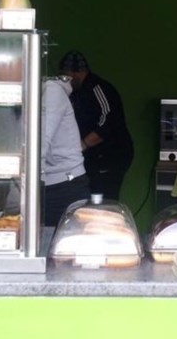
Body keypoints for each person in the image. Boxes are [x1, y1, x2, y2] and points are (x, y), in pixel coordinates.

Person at [59, 50, 134, 202]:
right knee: (89, 197)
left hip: (110, 155)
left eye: (66, 76)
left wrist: (82, 145)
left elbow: (109, 121)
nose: (64, 81)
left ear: (75, 73)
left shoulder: (98, 88)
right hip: (91, 157)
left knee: (103, 199)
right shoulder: (75, 92)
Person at [41, 75, 91, 227]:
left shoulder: (51, 92)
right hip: (34, 183)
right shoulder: (12, 93)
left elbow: (40, 144)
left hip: (63, 185)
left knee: (60, 240)